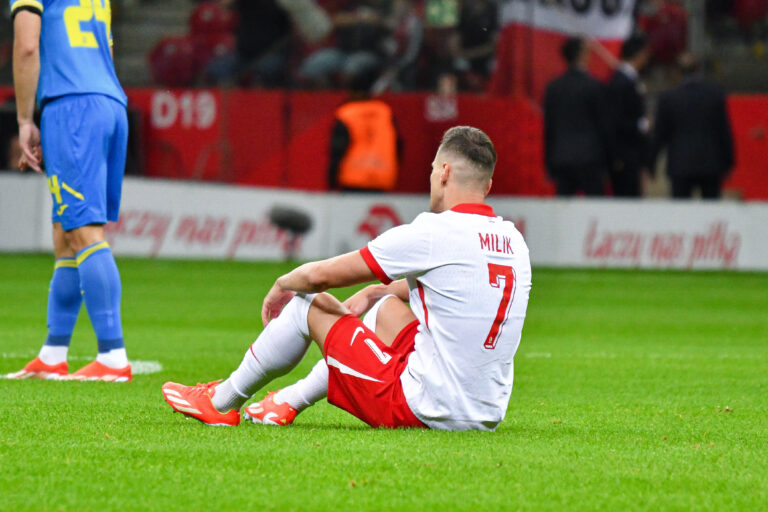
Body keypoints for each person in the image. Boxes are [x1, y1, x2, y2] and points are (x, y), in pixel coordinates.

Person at [162, 126, 532, 431]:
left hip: (423, 409)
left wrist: (283, 283)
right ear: (487, 185)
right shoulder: (513, 240)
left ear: (445, 173)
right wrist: (375, 291)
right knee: (386, 307)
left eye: (433, 169)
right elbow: (460, 287)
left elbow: (321, 277)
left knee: (307, 302)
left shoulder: (434, 232)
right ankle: (284, 403)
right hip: (485, 413)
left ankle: (221, 402)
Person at [6, 0, 131, 381]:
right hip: (108, 101)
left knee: (84, 233)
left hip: (72, 105)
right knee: (65, 232)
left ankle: (112, 355)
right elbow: (105, 49)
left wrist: (26, 119)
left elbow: (27, 45)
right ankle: (53, 352)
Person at [651, 53, 734, 199]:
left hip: (680, 164)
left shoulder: (669, 98)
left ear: (676, 72)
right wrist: (729, 161)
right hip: (711, 163)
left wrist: (650, 162)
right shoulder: (715, 95)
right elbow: (724, 131)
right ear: (698, 69)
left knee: (682, 214)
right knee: (711, 214)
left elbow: (660, 134)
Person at [544, 37, 613, 197]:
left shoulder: (554, 88)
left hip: (561, 157)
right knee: (595, 210)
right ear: (582, 55)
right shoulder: (595, 86)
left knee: (564, 210)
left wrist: (549, 163)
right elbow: (604, 126)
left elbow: (549, 128)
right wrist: (609, 161)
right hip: (591, 159)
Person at [328, 68, 399, 192]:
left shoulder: (346, 113)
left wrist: (331, 179)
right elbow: (398, 147)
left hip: (352, 179)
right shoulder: (386, 112)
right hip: (382, 179)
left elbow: (337, 150)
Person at [607, 34, 651, 198]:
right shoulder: (620, 82)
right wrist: (643, 125)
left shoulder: (631, 80)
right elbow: (615, 120)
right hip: (624, 156)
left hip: (633, 156)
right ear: (639, 54)